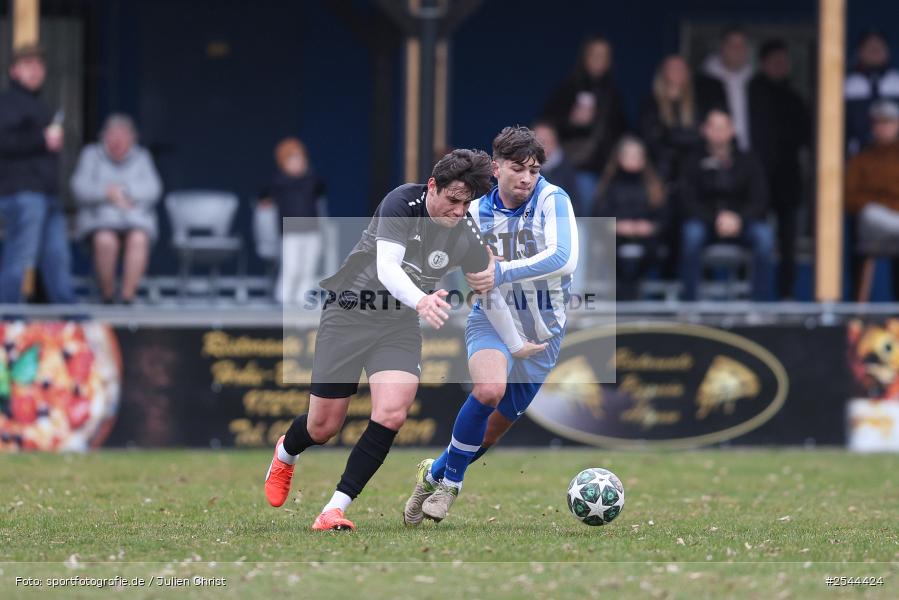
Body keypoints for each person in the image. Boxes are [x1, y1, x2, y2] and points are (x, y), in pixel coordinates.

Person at [262, 149, 544, 531]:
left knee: (392, 413)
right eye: (453, 200)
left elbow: (487, 291)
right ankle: (286, 451)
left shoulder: (465, 232)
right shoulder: (401, 202)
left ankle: (334, 508)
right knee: (323, 428)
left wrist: (515, 344)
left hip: (397, 327)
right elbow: (387, 266)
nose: (459, 211)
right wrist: (422, 299)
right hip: (348, 314)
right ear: (433, 187)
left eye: (467, 203)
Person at [403, 126, 578, 525]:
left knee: (491, 432)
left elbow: (565, 259)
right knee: (488, 390)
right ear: (496, 168)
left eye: (533, 171)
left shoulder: (553, 199)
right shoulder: (476, 212)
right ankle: (451, 487)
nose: (526, 179)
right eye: (518, 168)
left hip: (544, 332)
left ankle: (432, 475)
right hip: (492, 318)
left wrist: (501, 271)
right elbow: (473, 278)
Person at [0, 44, 75, 304]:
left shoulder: (39, 105)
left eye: (39, 65)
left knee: (57, 256)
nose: (35, 71)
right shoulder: (8, 103)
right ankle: (8, 316)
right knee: (20, 257)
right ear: (14, 71)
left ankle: (70, 315)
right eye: (27, 65)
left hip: (47, 194)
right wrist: (41, 138)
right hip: (23, 193)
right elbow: (5, 142)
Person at [679, 109, 772, 301]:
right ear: (704, 130)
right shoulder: (692, 161)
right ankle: (689, 305)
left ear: (732, 130)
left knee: (765, 237)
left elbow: (760, 200)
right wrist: (715, 219)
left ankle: (760, 306)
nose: (719, 132)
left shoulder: (748, 160)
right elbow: (687, 200)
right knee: (691, 234)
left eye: (724, 127)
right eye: (714, 127)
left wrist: (738, 219)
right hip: (706, 223)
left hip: (742, 223)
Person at [70, 114, 163, 304]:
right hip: (100, 222)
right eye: (113, 136)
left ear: (132, 138)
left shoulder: (142, 156)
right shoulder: (91, 154)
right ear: (104, 137)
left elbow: (154, 189)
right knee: (106, 240)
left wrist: (124, 192)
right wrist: (106, 193)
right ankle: (108, 296)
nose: (118, 141)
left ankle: (128, 297)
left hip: (134, 221)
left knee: (138, 238)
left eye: (123, 136)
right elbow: (78, 188)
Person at [749, 40, 811, 299]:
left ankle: (786, 293)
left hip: (787, 178)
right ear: (763, 63)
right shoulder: (750, 93)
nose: (780, 66)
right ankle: (755, 296)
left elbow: (807, 137)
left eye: (784, 61)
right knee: (756, 238)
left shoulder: (795, 99)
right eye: (775, 61)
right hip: (754, 177)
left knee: (788, 241)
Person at [541, 35, 628, 213]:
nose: (599, 60)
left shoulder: (613, 94)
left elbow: (621, 131)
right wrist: (572, 121)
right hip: (575, 167)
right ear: (585, 58)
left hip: (607, 168)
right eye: (595, 55)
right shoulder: (568, 89)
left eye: (604, 56)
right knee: (581, 208)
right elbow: (545, 127)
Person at [593, 136, 668, 299]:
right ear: (620, 158)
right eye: (630, 155)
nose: (634, 159)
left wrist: (651, 227)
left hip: (646, 237)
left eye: (638, 156)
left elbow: (663, 217)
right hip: (616, 235)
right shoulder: (608, 185)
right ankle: (622, 287)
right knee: (607, 244)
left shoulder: (653, 186)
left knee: (658, 247)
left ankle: (637, 284)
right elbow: (598, 215)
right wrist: (616, 226)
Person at [258, 137, 327, 305]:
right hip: (290, 232)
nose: (297, 164)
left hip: (312, 230)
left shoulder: (311, 180)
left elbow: (321, 192)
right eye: (292, 160)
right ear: (283, 163)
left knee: (307, 267)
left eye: (299, 159)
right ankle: (283, 296)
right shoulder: (278, 183)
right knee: (291, 266)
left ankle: (301, 296)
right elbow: (263, 199)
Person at [845, 99, 899, 299]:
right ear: (873, 127)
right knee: (871, 214)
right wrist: (880, 204)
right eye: (880, 123)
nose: (884, 128)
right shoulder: (862, 158)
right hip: (873, 224)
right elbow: (850, 197)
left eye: (889, 123)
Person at [846, 30, 899, 156]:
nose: (875, 51)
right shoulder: (847, 85)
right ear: (860, 52)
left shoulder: (896, 81)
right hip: (858, 155)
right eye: (869, 47)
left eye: (879, 47)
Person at [701, 26, 755, 151]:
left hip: (748, 153)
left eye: (742, 46)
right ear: (722, 48)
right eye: (732, 45)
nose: (737, 50)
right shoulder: (703, 83)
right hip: (713, 152)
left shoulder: (755, 82)